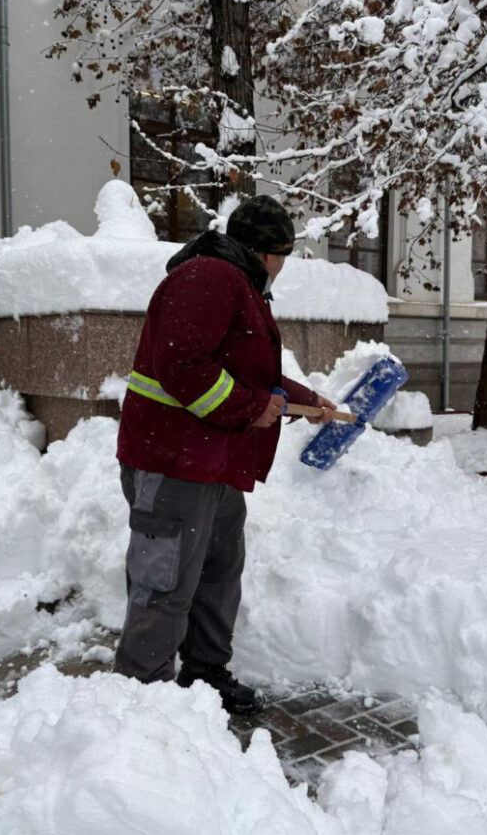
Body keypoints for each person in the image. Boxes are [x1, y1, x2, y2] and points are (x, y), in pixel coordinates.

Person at [114, 195, 336, 715]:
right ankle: (139, 703)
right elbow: (182, 366)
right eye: (284, 255)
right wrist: (251, 408)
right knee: (163, 582)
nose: (284, 267)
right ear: (266, 252)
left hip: (208, 464)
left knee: (217, 570)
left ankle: (204, 673)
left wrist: (300, 400)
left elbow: (244, 372)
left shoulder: (236, 283)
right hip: (172, 463)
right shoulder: (209, 278)